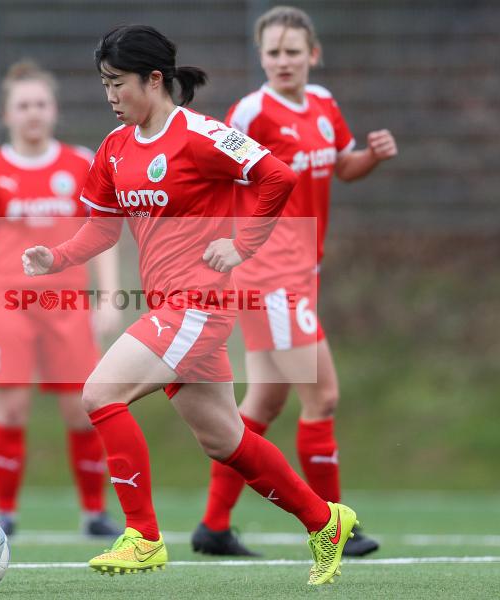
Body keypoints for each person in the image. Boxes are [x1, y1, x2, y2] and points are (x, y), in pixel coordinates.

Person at [22, 25, 359, 586]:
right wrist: (55, 258)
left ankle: (142, 536)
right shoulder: (115, 148)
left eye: (117, 82)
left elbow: (276, 176)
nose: (109, 95)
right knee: (225, 440)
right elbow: (103, 229)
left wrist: (242, 244)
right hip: (170, 307)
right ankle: (326, 521)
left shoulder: (203, 135)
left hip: (198, 306)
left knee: (99, 394)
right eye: (104, 84)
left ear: (154, 79)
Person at [190, 6, 398, 558]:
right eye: (273, 52)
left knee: (263, 402)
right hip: (269, 275)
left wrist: (372, 157)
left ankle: (213, 527)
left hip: (301, 272)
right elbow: (214, 174)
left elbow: (342, 167)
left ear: (314, 54)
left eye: (292, 51)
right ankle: (334, 525)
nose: (283, 61)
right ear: (261, 57)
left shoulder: (324, 104)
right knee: (322, 395)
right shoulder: (251, 113)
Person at [0, 60, 121, 538]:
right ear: (6, 114)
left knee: (83, 409)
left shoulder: (81, 163)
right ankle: (5, 513)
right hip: (6, 306)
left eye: (41, 103)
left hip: (68, 305)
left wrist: (107, 297)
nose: (33, 113)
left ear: (54, 110)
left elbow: (102, 233)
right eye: (23, 106)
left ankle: (94, 513)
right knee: (11, 410)